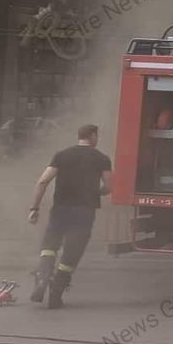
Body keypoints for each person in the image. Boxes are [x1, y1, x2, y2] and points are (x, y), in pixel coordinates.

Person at [27, 123, 113, 308]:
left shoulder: (61, 155)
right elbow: (109, 186)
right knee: (71, 253)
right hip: (84, 212)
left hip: (61, 210)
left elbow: (43, 182)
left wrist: (34, 208)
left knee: (49, 246)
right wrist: (97, 192)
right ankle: (56, 295)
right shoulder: (102, 159)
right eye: (96, 136)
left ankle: (42, 277)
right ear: (92, 136)